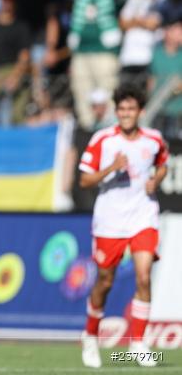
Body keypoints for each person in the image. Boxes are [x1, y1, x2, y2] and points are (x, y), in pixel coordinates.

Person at [78, 85, 169, 369]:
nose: (126, 114)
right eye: (121, 109)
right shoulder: (103, 140)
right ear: (115, 111)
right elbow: (84, 180)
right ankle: (91, 335)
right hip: (111, 219)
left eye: (131, 110)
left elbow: (162, 164)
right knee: (105, 281)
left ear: (140, 112)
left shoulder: (154, 139)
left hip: (143, 215)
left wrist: (157, 179)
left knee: (143, 276)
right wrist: (112, 168)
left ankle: (138, 343)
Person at [59, 0, 121, 129]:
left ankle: (110, 127)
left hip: (104, 50)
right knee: (82, 91)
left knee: (108, 91)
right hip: (81, 49)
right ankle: (87, 130)